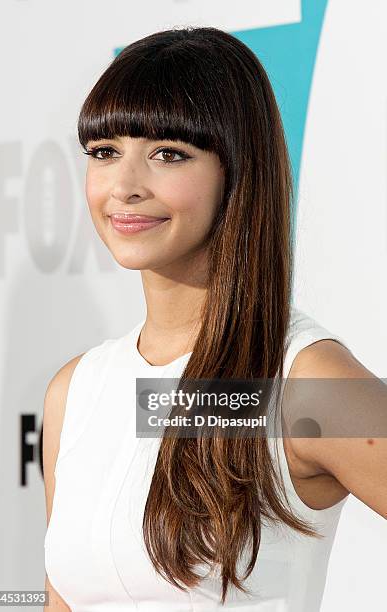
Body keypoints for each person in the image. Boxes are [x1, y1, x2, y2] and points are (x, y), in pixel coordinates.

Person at [42, 26, 386, 611]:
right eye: (105, 153)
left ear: (237, 172)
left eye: (168, 154)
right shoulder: (76, 389)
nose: (123, 186)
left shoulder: (300, 382)